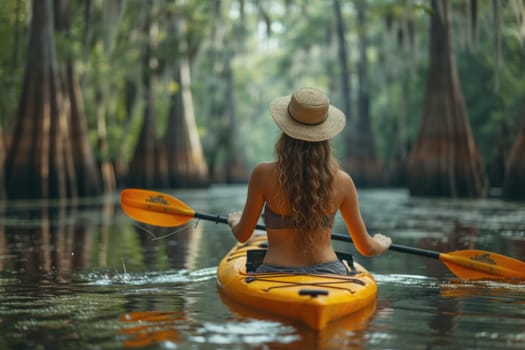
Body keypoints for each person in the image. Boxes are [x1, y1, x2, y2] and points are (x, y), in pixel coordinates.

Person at [227, 87, 391, 275]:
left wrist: (235, 221)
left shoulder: (262, 174)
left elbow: (243, 235)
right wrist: (382, 242)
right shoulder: (343, 181)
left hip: (275, 271)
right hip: (330, 272)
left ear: (285, 131)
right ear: (325, 136)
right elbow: (366, 248)